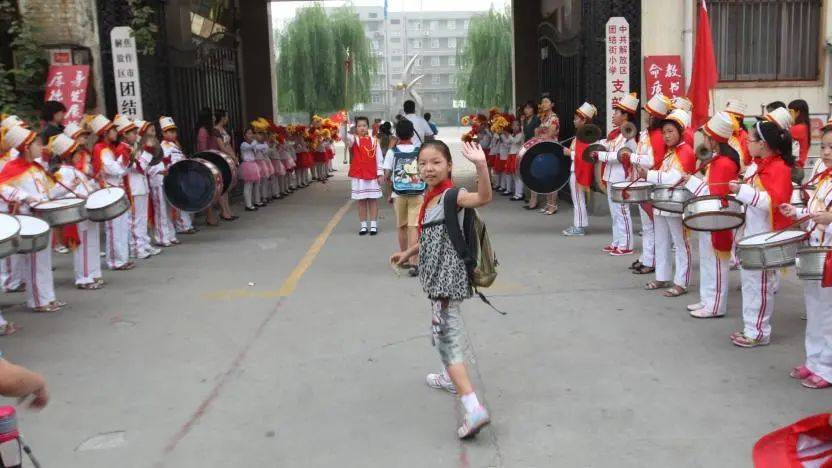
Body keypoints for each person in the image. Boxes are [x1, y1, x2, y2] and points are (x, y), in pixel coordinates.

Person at [390, 140, 492, 439]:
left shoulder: (452, 194)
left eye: (436, 162)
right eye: (423, 163)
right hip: (435, 279)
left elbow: (483, 197)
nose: (428, 168)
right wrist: (408, 253)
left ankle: (473, 408)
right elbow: (435, 233)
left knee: (448, 341)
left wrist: (481, 165)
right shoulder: (431, 198)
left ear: (448, 165)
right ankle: (449, 378)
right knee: (440, 329)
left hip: (447, 280)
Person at [728, 119, 795, 347]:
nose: (747, 142)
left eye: (751, 139)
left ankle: (759, 331)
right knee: (749, 282)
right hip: (751, 231)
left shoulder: (779, 169)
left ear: (763, 144)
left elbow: (773, 202)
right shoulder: (757, 165)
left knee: (761, 285)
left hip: (765, 234)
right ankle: (751, 327)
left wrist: (743, 191)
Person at [779, 125, 832, 388]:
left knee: (829, 314)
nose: (825, 152)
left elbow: (826, 216)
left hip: (830, 253)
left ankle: (828, 368)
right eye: (823, 146)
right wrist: (796, 212)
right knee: (814, 309)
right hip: (816, 250)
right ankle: (814, 361)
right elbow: (814, 212)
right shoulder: (823, 177)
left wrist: (831, 219)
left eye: (831, 147)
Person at [0, 125, 65, 312]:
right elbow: (3, 188)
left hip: (43, 216)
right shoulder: (13, 167)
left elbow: (50, 190)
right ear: (26, 147)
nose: (41, 147)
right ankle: (38, 300)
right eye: (37, 144)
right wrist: (24, 197)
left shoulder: (36, 168)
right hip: (30, 219)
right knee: (35, 260)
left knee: (44, 260)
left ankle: (47, 297)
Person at [682, 112, 741, 317]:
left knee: (716, 263)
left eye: (706, 136)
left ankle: (716, 305)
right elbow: (710, 189)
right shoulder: (718, 160)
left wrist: (688, 181)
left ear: (714, 139)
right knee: (708, 261)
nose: (704, 140)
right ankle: (707, 299)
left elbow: (716, 194)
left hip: (718, 218)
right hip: (710, 217)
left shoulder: (724, 163)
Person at [637, 109, 695, 298]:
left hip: (677, 204)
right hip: (662, 202)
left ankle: (681, 281)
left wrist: (649, 175)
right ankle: (662, 276)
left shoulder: (686, 151)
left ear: (680, 131)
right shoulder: (670, 153)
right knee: (661, 240)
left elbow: (674, 178)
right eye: (664, 132)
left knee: (680, 243)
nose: (666, 135)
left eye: (670, 131)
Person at [48, 134, 104, 289]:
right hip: (78, 212)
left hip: (88, 209)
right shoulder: (62, 172)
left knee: (92, 243)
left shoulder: (76, 171)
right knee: (83, 246)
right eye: (76, 152)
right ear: (68, 156)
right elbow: (54, 193)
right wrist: (72, 191)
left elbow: (86, 188)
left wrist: (95, 184)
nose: (80, 154)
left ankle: (94, 273)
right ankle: (84, 278)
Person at [628, 93, 672, 270]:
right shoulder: (648, 133)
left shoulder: (659, 135)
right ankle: (647, 256)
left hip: (652, 183)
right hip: (642, 181)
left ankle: (651, 260)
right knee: (647, 225)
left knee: (652, 225)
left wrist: (632, 157)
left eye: (649, 114)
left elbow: (654, 161)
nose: (646, 116)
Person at [595, 92, 640, 256]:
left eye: (617, 113)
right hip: (611, 176)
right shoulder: (615, 134)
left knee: (622, 211)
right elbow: (606, 146)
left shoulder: (630, 135)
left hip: (622, 177)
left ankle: (627, 244)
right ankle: (617, 241)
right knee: (614, 212)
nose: (613, 115)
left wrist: (600, 155)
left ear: (626, 116)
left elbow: (621, 156)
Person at [91, 115, 134, 271]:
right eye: (112, 130)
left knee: (122, 226)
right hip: (108, 191)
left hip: (117, 189)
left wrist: (126, 160)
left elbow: (122, 170)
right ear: (104, 133)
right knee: (114, 228)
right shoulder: (100, 149)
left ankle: (122, 258)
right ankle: (116, 260)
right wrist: (124, 157)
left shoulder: (109, 148)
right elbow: (114, 169)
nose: (116, 132)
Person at [383, 118, 423, 277]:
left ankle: (404, 257)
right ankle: (414, 261)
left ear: (397, 134)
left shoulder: (392, 152)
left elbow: (386, 175)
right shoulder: (419, 150)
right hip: (418, 193)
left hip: (399, 193)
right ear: (413, 133)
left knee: (402, 226)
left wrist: (389, 193)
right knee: (414, 227)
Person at [562, 102, 598, 236]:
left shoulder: (586, 136)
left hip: (578, 171)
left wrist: (569, 153)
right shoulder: (582, 134)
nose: (574, 120)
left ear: (583, 120)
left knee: (578, 199)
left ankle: (580, 226)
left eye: (576, 118)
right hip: (575, 169)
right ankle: (579, 224)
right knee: (578, 199)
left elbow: (585, 156)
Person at [345, 116, 384, 235]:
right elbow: (343, 136)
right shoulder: (354, 140)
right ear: (355, 128)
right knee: (361, 201)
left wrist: (380, 173)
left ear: (368, 127)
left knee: (373, 200)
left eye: (364, 125)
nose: (362, 128)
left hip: (372, 175)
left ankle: (373, 225)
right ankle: (363, 225)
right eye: (359, 126)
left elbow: (379, 158)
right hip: (359, 176)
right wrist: (343, 125)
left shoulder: (374, 141)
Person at [142, 126, 179, 247]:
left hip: (165, 179)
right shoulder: (143, 146)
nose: (154, 132)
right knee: (160, 211)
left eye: (154, 129)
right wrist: (159, 171)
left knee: (168, 209)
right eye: (151, 130)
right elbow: (147, 166)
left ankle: (170, 234)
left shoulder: (156, 144)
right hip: (156, 181)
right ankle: (161, 237)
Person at [160, 116, 196, 234]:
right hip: (172, 176)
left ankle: (186, 225)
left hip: (179, 176)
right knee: (177, 203)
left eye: (174, 131)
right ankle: (182, 226)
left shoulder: (174, 144)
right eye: (170, 131)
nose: (173, 134)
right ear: (163, 133)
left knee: (182, 200)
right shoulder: (164, 146)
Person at [531, 95, 561, 215]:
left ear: (552, 104)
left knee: (552, 176)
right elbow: (537, 131)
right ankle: (548, 204)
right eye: (542, 102)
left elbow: (550, 134)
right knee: (546, 175)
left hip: (552, 148)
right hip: (544, 148)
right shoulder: (544, 118)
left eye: (546, 102)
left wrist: (538, 135)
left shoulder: (554, 118)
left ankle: (553, 205)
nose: (543, 104)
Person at [520, 102, 540, 208]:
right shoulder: (526, 120)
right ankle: (531, 199)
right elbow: (524, 135)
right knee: (529, 173)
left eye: (529, 108)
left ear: (533, 109)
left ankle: (534, 201)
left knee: (534, 173)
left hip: (534, 148)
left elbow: (536, 136)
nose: (526, 110)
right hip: (527, 148)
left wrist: (529, 146)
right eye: (525, 108)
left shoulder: (536, 119)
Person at [239, 126, 262, 211]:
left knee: (251, 185)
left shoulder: (252, 144)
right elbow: (251, 146)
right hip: (247, 166)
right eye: (249, 133)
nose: (251, 135)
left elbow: (259, 148)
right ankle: (248, 205)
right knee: (247, 185)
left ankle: (251, 203)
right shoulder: (243, 144)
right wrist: (255, 140)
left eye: (251, 133)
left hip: (253, 165)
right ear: (244, 136)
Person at [788, 99, 811, 172]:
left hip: (793, 167)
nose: (788, 114)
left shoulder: (798, 128)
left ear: (797, 112)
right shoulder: (804, 126)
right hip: (798, 167)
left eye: (790, 112)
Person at [505, 119, 523, 199]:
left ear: (519, 126)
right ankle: (517, 193)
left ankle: (519, 194)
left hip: (516, 155)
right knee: (514, 175)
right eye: (513, 125)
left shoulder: (520, 134)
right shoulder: (513, 134)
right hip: (511, 155)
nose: (514, 127)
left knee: (517, 175)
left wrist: (508, 135)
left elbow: (516, 141)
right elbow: (507, 142)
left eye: (516, 125)